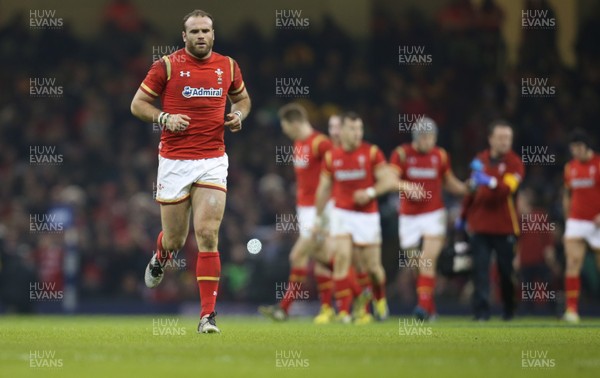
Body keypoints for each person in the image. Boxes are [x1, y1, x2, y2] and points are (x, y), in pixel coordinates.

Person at [130, 9, 251, 334]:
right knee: (175, 239)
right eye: (194, 31)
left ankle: (207, 317)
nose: (200, 36)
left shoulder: (228, 66)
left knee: (208, 235)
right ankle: (160, 256)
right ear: (184, 36)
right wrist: (164, 118)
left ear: (213, 34)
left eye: (205, 31)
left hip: (212, 159)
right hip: (174, 161)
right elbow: (137, 104)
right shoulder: (166, 65)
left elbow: (243, 100)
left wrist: (239, 114)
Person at [314, 112, 397, 324]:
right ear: (341, 131)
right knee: (341, 258)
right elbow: (323, 189)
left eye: (359, 129)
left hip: (367, 215)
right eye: (352, 129)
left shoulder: (372, 153)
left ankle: (379, 298)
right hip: (342, 213)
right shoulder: (332, 157)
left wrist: (369, 193)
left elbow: (387, 181)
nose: (357, 133)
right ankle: (345, 312)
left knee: (371, 269)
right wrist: (317, 218)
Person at [258, 103, 335, 323]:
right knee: (322, 259)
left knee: (297, 255)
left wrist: (326, 210)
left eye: (285, 126)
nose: (284, 131)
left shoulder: (321, 143)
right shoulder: (298, 144)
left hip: (321, 210)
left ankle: (284, 308)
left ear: (294, 122)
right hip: (305, 210)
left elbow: (335, 174)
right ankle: (339, 302)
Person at [389, 116, 469, 320]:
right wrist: (406, 186)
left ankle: (422, 308)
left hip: (434, 214)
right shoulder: (402, 154)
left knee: (427, 260)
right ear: (416, 137)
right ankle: (430, 306)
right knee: (416, 264)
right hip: (408, 217)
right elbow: (390, 179)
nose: (428, 142)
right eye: (424, 137)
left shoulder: (440, 156)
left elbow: (448, 181)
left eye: (432, 137)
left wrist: (466, 188)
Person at [459, 120, 524, 321]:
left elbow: (507, 189)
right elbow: (471, 191)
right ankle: (481, 313)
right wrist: (462, 216)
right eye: (501, 138)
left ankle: (509, 309)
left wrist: (490, 181)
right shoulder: (480, 160)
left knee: (506, 272)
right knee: (480, 270)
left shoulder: (515, 164)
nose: (505, 142)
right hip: (479, 225)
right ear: (491, 139)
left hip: (504, 226)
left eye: (508, 138)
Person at [562, 129, 600, 323]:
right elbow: (568, 193)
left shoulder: (599, 164)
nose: (575, 152)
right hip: (577, 220)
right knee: (572, 263)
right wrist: (568, 216)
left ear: (587, 147)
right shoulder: (570, 168)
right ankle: (571, 310)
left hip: (598, 222)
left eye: (578, 148)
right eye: (573, 149)